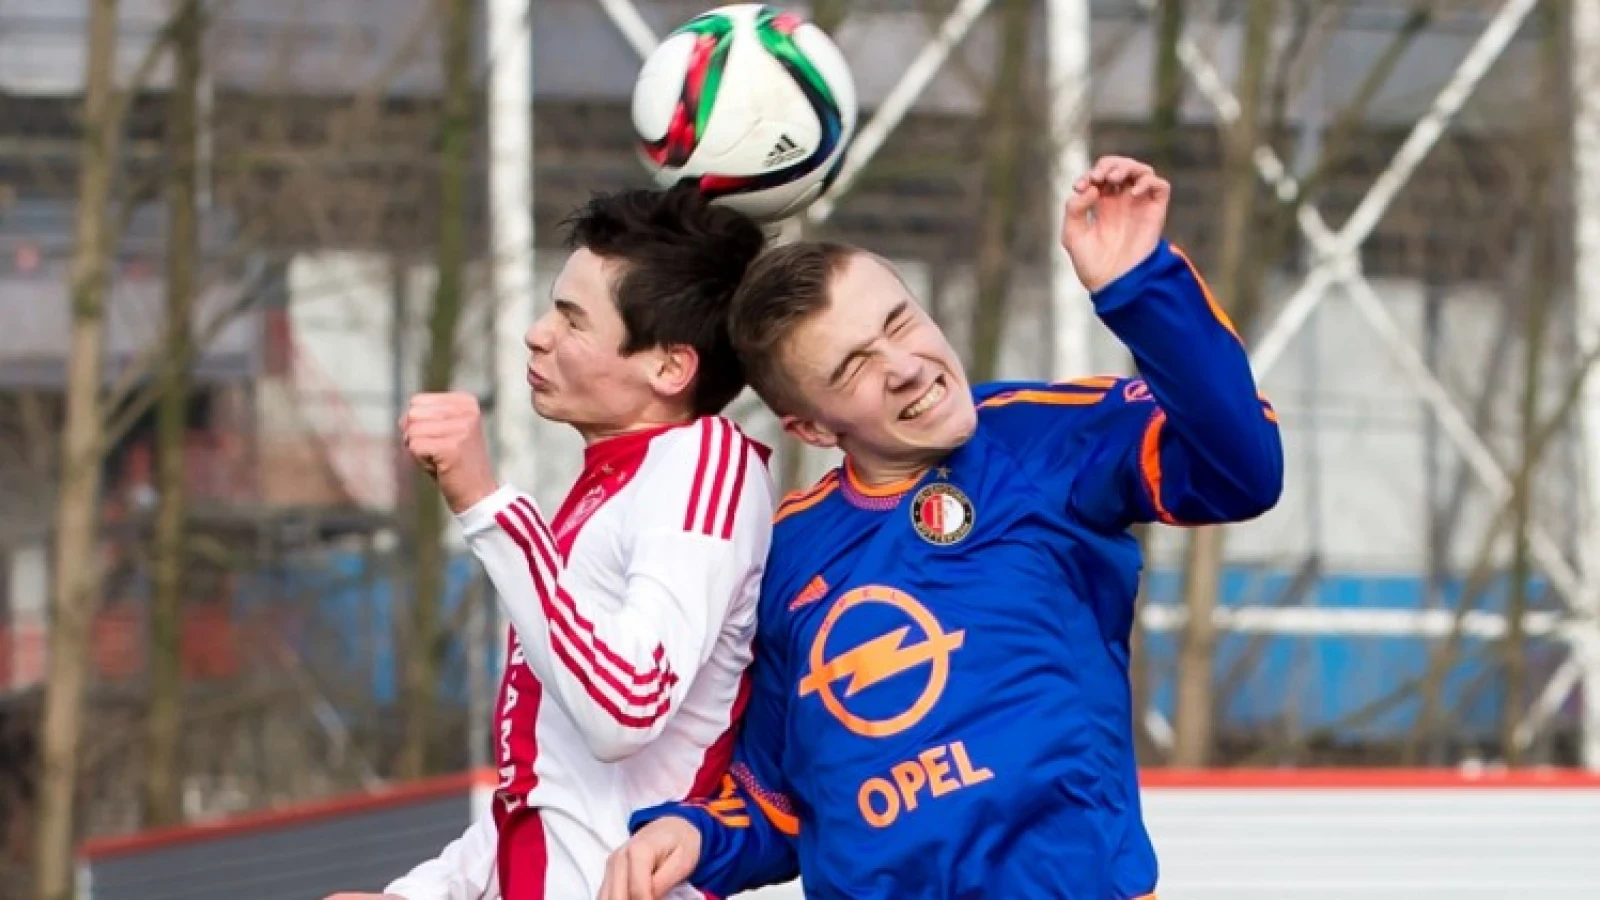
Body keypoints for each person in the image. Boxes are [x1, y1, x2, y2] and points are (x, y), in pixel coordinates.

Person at [599, 156, 1284, 900]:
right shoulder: (786, 554)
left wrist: (1141, 286)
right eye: (855, 366)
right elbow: (778, 803)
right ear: (810, 427)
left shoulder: (1037, 442)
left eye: (899, 323)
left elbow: (1240, 469)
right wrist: (695, 834)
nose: (904, 366)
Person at [326, 185, 775, 900]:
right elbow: (548, 785)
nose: (537, 333)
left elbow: (624, 708)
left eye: (572, 320)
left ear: (669, 367)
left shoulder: (704, 462)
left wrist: (485, 500)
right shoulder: (613, 482)